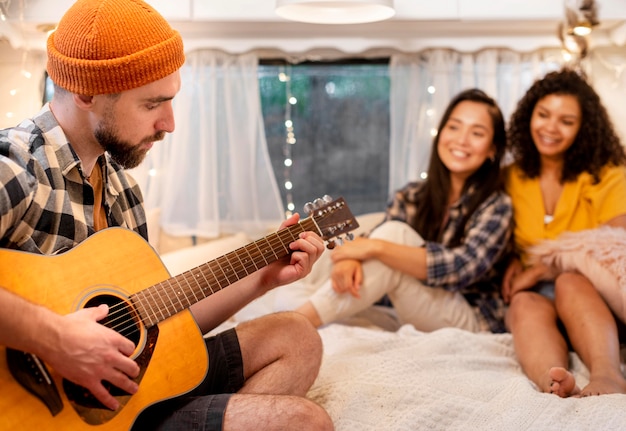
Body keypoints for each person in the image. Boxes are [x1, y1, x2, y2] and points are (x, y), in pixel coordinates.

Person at [0, 0, 333, 430]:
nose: (170, 123)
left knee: (298, 337)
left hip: (133, 392)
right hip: (47, 411)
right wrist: (57, 338)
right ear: (86, 93)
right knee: (303, 422)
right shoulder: (15, 166)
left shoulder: (122, 189)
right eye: (152, 104)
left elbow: (155, 322)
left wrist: (264, 277)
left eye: (171, 100)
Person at [296, 88, 512, 334]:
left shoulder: (497, 206)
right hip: (413, 305)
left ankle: (294, 323)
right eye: (454, 127)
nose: (462, 140)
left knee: (393, 239)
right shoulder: (411, 195)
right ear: (440, 132)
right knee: (390, 238)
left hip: (470, 319)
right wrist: (351, 258)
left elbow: (459, 268)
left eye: (477, 133)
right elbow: (382, 235)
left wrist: (375, 247)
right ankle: (296, 322)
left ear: (493, 149)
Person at [502, 68, 626, 398]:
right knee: (522, 304)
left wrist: (547, 266)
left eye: (566, 121)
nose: (550, 128)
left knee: (568, 282)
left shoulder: (606, 172)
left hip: (593, 296)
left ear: (583, 129)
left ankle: (608, 376)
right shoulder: (511, 176)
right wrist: (513, 261)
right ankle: (554, 382)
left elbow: (617, 237)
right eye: (543, 115)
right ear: (529, 116)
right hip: (538, 293)